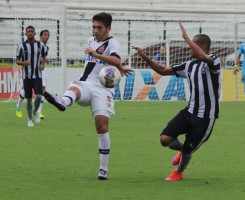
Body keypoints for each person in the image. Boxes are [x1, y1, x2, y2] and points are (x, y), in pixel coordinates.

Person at [42, 12, 132, 180]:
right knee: (75, 86)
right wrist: (118, 66)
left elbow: (114, 60)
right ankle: (61, 101)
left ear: (108, 28)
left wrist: (118, 65)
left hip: (103, 90)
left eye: (99, 28)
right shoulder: (91, 41)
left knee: (102, 127)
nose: (95, 31)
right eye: (93, 27)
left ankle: (103, 169)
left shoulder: (113, 43)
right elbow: (104, 63)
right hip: (87, 84)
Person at [132, 22, 221, 181]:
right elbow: (162, 71)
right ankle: (183, 150)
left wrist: (186, 37)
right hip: (189, 112)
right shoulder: (188, 66)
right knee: (165, 140)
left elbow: (202, 56)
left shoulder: (214, 60)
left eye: (193, 44)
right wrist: (144, 56)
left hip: (206, 118)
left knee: (188, 149)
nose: (189, 47)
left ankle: (179, 172)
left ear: (203, 46)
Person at [16, 29, 50, 119]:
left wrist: (44, 62)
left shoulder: (46, 47)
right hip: (29, 71)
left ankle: (38, 111)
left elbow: (43, 57)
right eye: (45, 35)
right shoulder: (34, 45)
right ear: (40, 36)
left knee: (42, 91)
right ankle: (18, 106)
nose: (47, 37)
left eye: (48, 35)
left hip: (40, 71)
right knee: (25, 91)